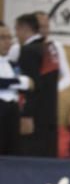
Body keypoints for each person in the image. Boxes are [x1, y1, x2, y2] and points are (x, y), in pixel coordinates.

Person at [14, 13, 59, 157]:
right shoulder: (50, 48)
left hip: (34, 117)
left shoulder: (28, 51)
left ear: (24, 29)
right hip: (50, 113)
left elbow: (31, 85)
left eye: (17, 30)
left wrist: (26, 114)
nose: (17, 35)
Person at [0, 21, 28, 155]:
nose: (7, 42)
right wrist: (18, 81)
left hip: (13, 113)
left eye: (9, 37)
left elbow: (23, 88)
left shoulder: (13, 64)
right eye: (2, 38)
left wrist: (24, 114)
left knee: (13, 153)